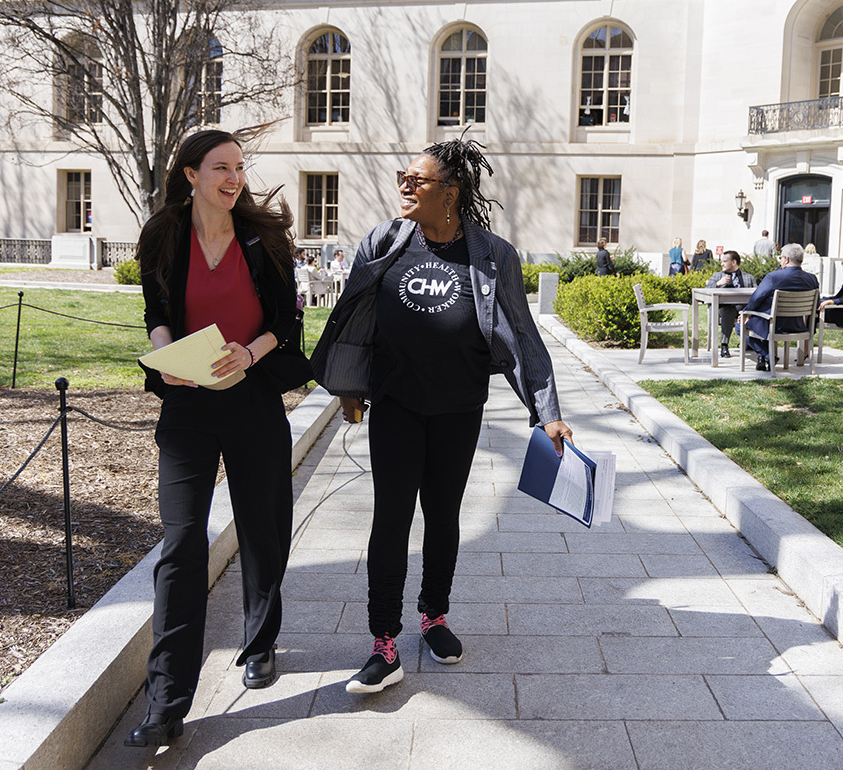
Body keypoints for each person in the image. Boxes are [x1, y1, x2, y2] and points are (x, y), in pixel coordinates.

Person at [310, 137, 573, 695]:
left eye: (417, 180)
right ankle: (384, 640)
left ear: (450, 193)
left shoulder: (493, 254)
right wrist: (350, 386)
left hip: (458, 408)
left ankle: (434, 617)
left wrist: (546, 412)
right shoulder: (385, 239)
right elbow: (356, 316)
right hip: (397, 404)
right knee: (391, 517)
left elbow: (522, 333)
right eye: (402, 176)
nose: (404, 185)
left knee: (443, 514)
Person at [126, 128, 302, 748]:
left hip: (252, 397)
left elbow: (287, 319)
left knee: (263, 524)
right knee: (179, 544)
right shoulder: (164, 237)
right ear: (190, 174)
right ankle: (167, 700)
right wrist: (163, 354)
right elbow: (156, 313)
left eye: (239, 168)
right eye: (221, 167)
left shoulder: (263, 239)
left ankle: (260, 643)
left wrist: (249, 354)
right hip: (188, 402)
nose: (234, 179)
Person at [741, 242, 819, 372]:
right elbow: (816, 305)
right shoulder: (812, 279)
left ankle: (767, 355)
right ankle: (766, 356)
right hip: (797, 325)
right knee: (756, 321)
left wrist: (745, 313)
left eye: (781, 257)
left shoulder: (773, 277)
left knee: (740, 325)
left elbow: (756, 298)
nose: (781, 260)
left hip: (773, 324)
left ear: (786, 260)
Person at [704, 250, 757, 358]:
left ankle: (754, 343)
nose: (721, 264)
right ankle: (724, 345)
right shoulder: (717, 276)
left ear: (734, 263)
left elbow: (756, 295)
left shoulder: (748, 277)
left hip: (743, 310)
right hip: (722, 309)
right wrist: (718, 284)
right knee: (729, 311)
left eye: (725, 261)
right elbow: (706, 291)